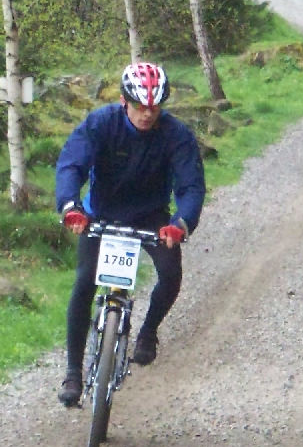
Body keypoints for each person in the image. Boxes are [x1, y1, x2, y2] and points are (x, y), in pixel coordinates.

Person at [54, 61, 206, 407]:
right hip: (100, 213)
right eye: (140, 107)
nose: (147, 114)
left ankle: (148, 330)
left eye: (154, 107)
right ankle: (73, 373)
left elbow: (191, 185)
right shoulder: (100, 123)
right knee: (83, 284)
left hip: (152, 216)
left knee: (170, 273)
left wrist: (181, 223)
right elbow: (71, 164)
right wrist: (70, 206)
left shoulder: (176, 135)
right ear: (125, 101)